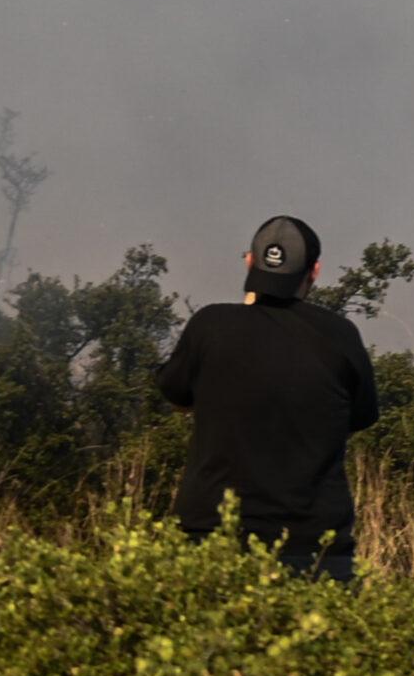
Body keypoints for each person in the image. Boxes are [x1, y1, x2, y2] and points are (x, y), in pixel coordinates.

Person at [157, 214, 379, 580]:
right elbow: (359, 418)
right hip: (313, 547)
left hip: (212, 538)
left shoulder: (210, 326)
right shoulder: (341, 336)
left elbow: (178, 398)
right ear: (315, 271)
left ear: (249, 261)